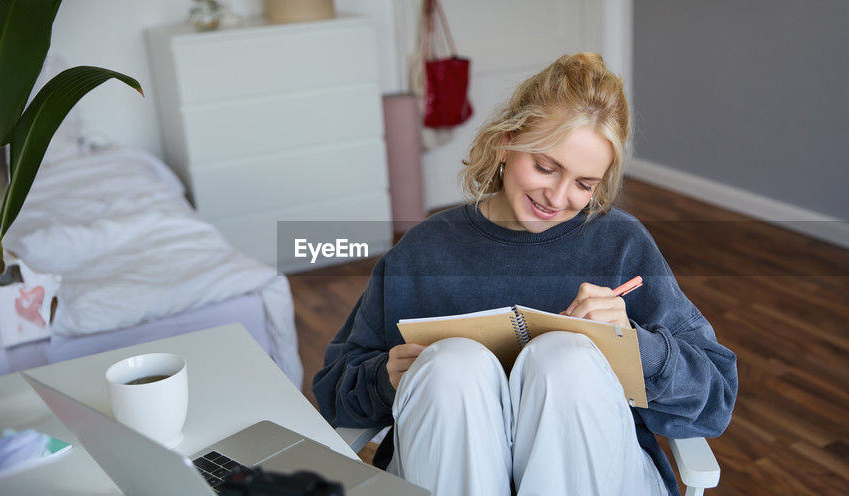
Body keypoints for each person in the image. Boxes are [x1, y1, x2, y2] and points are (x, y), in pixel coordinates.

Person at [312, 52, 737, 496]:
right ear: (506, 142)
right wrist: (385, 379)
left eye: (584, 184)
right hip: (443, 475)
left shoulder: (621, 245)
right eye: (545, 167)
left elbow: (716, 399)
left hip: (595, 473)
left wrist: (638, 348)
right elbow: (332, 393)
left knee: (566, 360)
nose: (557, 196)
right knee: (452, 367)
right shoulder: (423, 252)